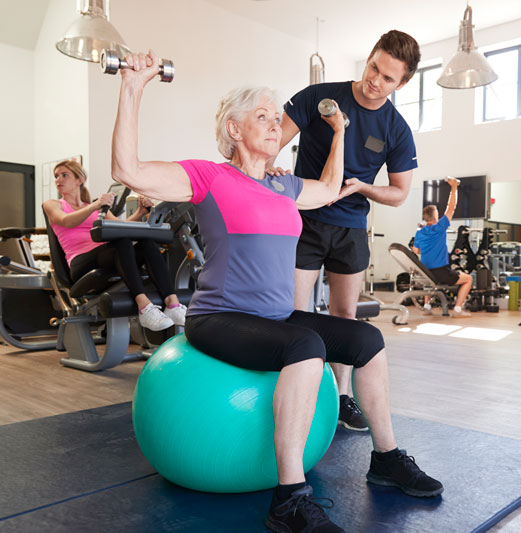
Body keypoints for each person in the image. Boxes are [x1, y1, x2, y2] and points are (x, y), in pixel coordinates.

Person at [111, 51, 442, 533]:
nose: (274, 124)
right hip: (220, 318)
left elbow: (329, 189)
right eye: (261, 117)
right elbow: (128, 170)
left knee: (366, 340)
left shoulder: (282, 186)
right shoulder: (207, 177)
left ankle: (386, 458)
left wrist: (340, 133)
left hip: (274, 318)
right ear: (233, 130)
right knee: (306, 347)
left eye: (275, 116)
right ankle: (288, 498)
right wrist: (133, 86)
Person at [277, 30, 421, 432]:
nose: (376, 80)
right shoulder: (317, 96)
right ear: (370, 57)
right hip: (304, 219)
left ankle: (341, 397)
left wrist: (362, 187)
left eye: (388, 78)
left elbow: (398, 193)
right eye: (374, 67)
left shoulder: (396, 129)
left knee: (344, 315)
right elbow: (270, 144)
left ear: (402, 84)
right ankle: (291, 389)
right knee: (294, 312)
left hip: (351, 227)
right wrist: (272, 174)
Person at [43, 160, 185, 331]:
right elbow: (65, 220)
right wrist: (96, 205)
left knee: (146, 241)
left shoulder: (93, 207)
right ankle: (144, 307)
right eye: (56, 176)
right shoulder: (53, 204)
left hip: (104, 255)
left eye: (64, 175)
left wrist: (140, 212)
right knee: (122, 242)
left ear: (79, 179)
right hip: (79, 261)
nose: (59, 179)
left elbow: (120, 226)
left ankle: (172, 304)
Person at [412, 177, 473, 317]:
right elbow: (451, 207)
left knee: (430, 281)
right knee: (468, 279)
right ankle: (458, 310)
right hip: (441, 272)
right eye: (437, 216)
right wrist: (454, 187)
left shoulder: (419, 232)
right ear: (434, 219)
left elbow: (415, 251)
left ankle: (427, 307)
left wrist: (427, 248)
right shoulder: (440, 227)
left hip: (426, 271)